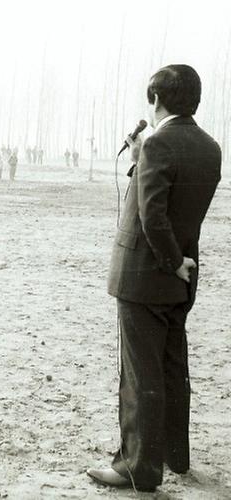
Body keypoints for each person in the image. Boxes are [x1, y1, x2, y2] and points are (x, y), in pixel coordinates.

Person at [88, 65, 222, 493]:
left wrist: (168, 261)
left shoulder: (158, 144)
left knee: (140, 375)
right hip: (182, 278)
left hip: (148, 276)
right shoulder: (210, 147)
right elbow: (175, 200)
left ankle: (138, 468)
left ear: (156, 99)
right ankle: (173, 455)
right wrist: (140, 160)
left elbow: (152, 214)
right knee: (171, 368)